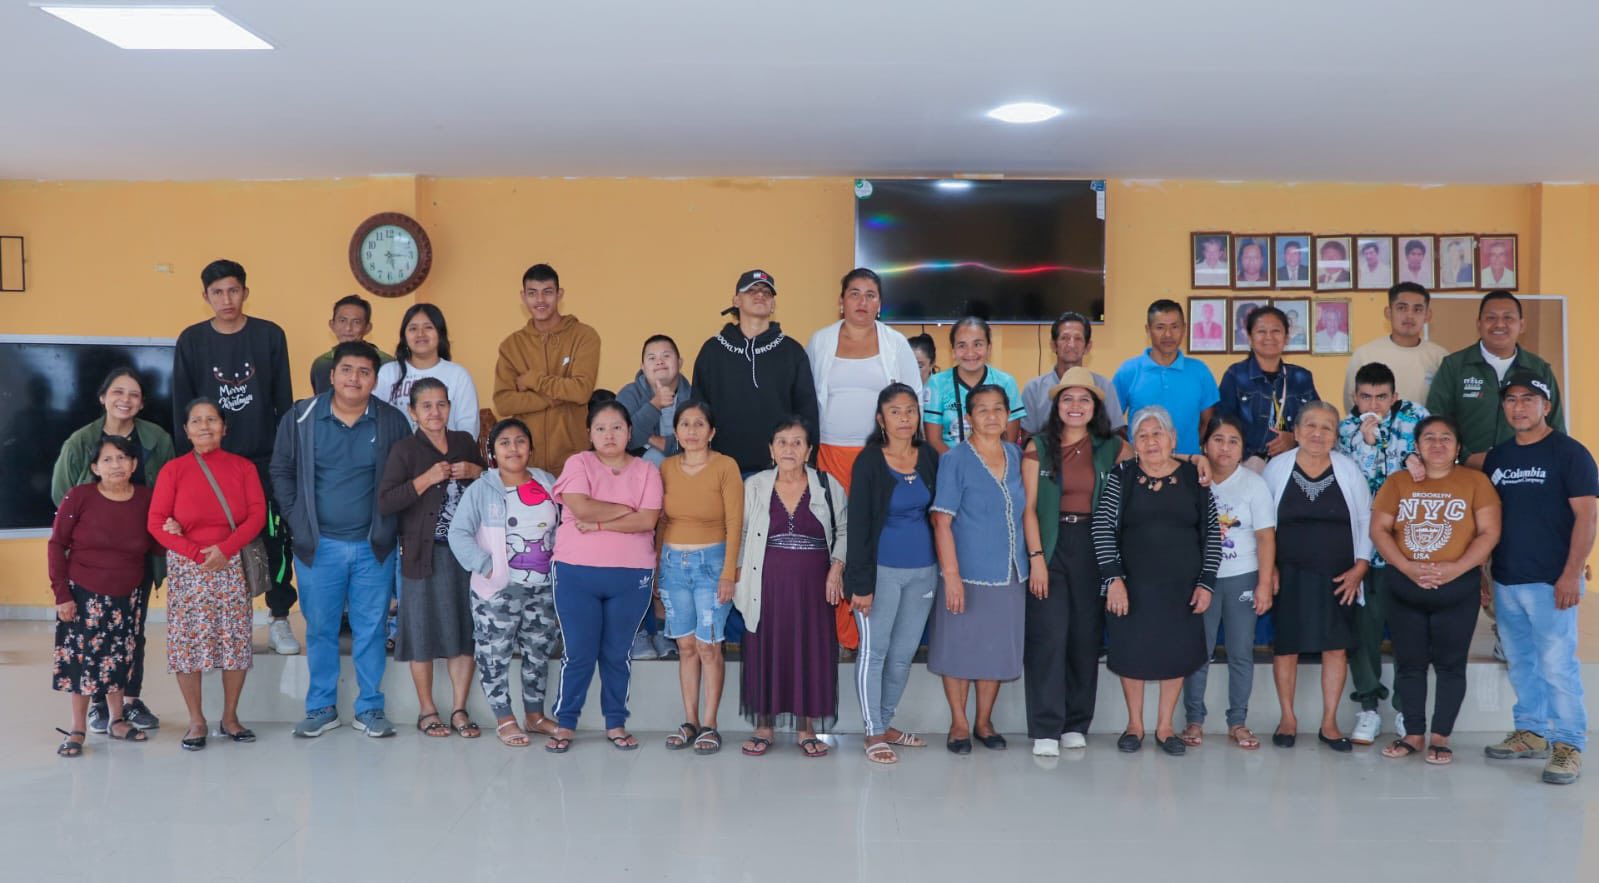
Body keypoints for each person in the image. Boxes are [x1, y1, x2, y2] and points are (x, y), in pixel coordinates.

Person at [271, 341, 411, 739]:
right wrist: (298, 520)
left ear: (375, 380)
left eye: (364, 372)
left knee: (372, 629)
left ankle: (370, 708)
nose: (354, 378)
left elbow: (403, 478)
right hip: (319, 547)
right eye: (347, 370)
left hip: (373, 547)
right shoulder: (302, 417)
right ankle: (321, 707)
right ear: (332, 375)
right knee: (320, 628)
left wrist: (389, 529)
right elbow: (281, 469)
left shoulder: (391, 421)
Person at [172, 259, 298, 655]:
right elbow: (182, 407)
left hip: (264, 461)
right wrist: (187, 468)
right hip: (211, 463)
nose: (226, 299)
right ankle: (219, 624)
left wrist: (286, 460)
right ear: (205, 296)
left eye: (233, 290)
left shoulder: (270, 335)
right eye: (217, 292)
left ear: (245, 292)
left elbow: (283, 402)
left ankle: (279, 618)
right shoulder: (192, 340)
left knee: (275, 540)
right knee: (213, 542)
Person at [1483, 372, 1596, 785]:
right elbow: (1490, 520)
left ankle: (1569, 744)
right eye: (1511, 399)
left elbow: (1587, 517)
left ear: (1546, 406)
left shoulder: (1570, 453)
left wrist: (1571, 574)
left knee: (1557, 665)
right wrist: (1486, 574)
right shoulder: (1498, 458)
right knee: (1521, 662)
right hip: (1507, 580)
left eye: (1528, 399)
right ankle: (1531, 731)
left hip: (1552, 582)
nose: (1519, 407)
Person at [49, 367, 174, 734]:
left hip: (138, 554)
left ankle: (130, 704)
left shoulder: (157, 439)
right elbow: (61, 493)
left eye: (134, 394)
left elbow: (168, 489)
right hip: (91, 561)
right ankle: (98, 706)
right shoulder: (80, 441)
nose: (125, 400)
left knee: (131, 633)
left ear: (142, 403)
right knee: (89, 638)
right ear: (103, 397)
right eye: (118, 392)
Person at [1372, 416, 1501, 765]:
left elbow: (1489, 532)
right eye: (1429, 437)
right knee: (1409, 664)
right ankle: (1413, 734)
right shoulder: (1398, 482)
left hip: (1457, 587)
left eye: (1446, 438)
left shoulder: (1475, 482)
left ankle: (1441, 736)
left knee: (1450, 665)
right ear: (1417, 446)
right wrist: (1408, 567)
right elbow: (1379, 530)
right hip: (1405, 586)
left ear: (1458, 447)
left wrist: (1455, 568)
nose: (1438, 444)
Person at [1092, 406, 1220, 756]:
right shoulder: (1122, 476)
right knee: (1131, 650)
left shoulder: (1195, 477)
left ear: (1173, 439)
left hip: (1182, 587)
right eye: (1143, 435)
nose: (1151, 441)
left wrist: (1206, 582)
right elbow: (1101, 527)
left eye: (1158, 433)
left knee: (1175, 652)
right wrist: (1113, 579)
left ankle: (1165, 728)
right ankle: (1134, 725)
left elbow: (1212, 533)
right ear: (1133, 443)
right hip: (1131, 585)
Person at [1021, 368, 1131, 756]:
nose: (1075, 406)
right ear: (1056, 406)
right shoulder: (1037, 446)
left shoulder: (1112, 447)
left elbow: (1155, 462)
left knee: (1085, 636)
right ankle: (1046, 727)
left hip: (1094, 546)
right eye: (1067, 398)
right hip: (1050, 545)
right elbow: (1029, 509)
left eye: (1084, 399)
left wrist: (1196, 460)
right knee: (1049, 636)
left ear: (1096, 407)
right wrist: (1036, 558)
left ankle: (1075, 722)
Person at [546, 400, 663, 752]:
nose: (609, 435)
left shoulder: (647, 470)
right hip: (575, 572)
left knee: (617, 653)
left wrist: (600, 523)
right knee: (579, 653)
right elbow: (581, 507)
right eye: (600, 428)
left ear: (630, 432)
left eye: (616, 427)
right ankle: (565, 723)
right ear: (589, 433)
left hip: (631, 576)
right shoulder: (578, 463)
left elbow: (647, 520)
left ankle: (616, 723)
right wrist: (626, 508)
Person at [148, 400, 266, 750]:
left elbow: (257, 516)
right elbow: (156, 522)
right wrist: (195, 554)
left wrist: (226, 549)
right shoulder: (173, 470)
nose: (204, 426)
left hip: (231, 564)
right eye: (196, 421)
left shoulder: (243, 467)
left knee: (235, 642)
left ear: (224, 428)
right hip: (189, 568)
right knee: (187, 645)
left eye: (212, 420)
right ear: (186, 430)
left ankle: (230, 718)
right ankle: (196, 720)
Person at [377, 378, 486, 740]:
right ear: (412, 412)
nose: (435, 412)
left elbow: (493, 488)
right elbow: (387, 502)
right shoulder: (405, 450)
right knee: (420, 632)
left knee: (464, 631)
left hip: (466, 554)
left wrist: (477, 473)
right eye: (426, 406)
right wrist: (425, 479)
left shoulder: (464, 442)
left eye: (441, 404)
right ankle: (427, 710)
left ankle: (459, 708)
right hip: (422, 552)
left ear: (450, 408)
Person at [1261, 401, 1371, 752]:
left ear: (1336, 436)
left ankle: (1329, 723)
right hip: (1288, 574)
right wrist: (1268, 569)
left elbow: (1366, 520)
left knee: (1335, 647)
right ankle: (1287, 719)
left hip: (1339, 577)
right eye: (1310, 425)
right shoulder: (1276, 469)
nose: (1317, 433)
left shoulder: (1348, 470)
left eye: (1327, 427)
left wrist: (1360, 568)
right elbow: (1262, 526)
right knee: (1286, 647)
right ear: (1295, 431)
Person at [447, 418, 563, 748]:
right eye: (505, 443)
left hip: (542, 587)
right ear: (493, 452)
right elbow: (458, 533)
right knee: (493, 654)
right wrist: (487, 568)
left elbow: (563, 526)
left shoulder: (548, 483)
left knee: (538, 653)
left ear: (531, 448)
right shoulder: (482, 489)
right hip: (497, 590)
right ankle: (505, 719)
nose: (513, 448)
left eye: (520, 441)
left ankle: (535, 716)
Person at [735, 417, 846, 758]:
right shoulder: (755, 485)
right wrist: (738, 578)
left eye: (797, 442)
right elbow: (741, 534)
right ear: (771, 450)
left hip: (814, 589)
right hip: (766, 585)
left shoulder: (827, 485)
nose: (789, 449)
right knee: (765, 648)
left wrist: (836, 568)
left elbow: (844, 530)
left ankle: (807, 729)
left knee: (810, 650)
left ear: (809, 451)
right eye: (782, 442)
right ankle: (763, 727)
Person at [929, 385, 1027, 755]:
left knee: (995, 649)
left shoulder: (1017, 455)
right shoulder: (955, 459)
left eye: (998, 408)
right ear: (968, 418)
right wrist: (951, 576)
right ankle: (958, 723)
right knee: (959, 648)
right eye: (982, 409)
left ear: (1008, 415)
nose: (991, 416)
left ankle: (984, 722)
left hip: (1010, 571)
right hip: (965, 572)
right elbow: (941, 521)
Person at [846, 383, 940, 763]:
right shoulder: (869, 461)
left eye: (910, 410)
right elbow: (858, 526)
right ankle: (872, 733)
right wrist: (860, 584)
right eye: (896, 411)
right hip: (880, 574)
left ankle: (885, 723)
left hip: (923, 573)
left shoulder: (929, 457)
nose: (905, 418)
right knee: (875, 653)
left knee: (902, 656)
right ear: (880, 419)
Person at [1337, 362, 1428, 745]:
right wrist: (1368, 443)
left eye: (1381, 397)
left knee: (1410, 632)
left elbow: (1438, 460)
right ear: (1354, 397)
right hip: (1364, 549)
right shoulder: (1345, 429)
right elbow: (1353, 479)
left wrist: (1417, 460)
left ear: (1395, 396)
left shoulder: (1417, 419)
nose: (1373, 404)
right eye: (1365, 397)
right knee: (1364, 632)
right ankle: (1368, 707)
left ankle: (1407, 709)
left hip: (1411, 547)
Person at [49, 436, 157, 756]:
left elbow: (157, 542)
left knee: (120, 658)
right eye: (107, 460)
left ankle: (117, 720)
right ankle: (77, 728)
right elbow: (57, 544)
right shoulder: (79, 496)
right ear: (95, 468)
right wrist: (62, 595)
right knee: (83, 663)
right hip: (84, 594)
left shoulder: (145, 498)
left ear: (134, 464)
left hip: (128, 595)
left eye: (122, 458)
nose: (116, 465)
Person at [1179, 415, 1275, 750]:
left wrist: (1264, 583)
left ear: (1243, 448)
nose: (1225, 447)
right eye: (1218, 439)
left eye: (1234, 441)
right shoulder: (1191, 477)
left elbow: (1265, 538)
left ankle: (1238, 721)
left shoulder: (1253, 484)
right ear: (1204, 445)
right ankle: (1194, 720)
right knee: (1197, 653)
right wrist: (1193, 459)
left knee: (1240, 652)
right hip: (1200, 581)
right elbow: (1157, 455)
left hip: (1242, 576)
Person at [656, 401, 743, 755]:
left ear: (712, 431)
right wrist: (658, 569)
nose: (692, 430)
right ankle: (690, 721)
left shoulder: (725, 466)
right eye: (685, 424)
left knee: (709, 646)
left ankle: (710, 724)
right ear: (675, 432)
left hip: (712, 564)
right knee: (686, 646)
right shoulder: (665, 468)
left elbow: (735, 522)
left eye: (699, 424)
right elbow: (661, 521)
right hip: (673, 566)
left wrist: (728, 573)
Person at [805, 268, 923, 493]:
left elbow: (914, 398)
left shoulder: (896, 343)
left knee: (878, 512)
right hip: (831, 452)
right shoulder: (820, 341)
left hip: (884, 451)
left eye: (870, 295)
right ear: (841, 301)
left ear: (879, 304)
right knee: (834, 513)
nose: (863, 302)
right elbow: (806, 396)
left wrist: (912, 448)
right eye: (855, 294)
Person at [692, 269, 819, 475]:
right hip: (722, 469)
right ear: (736, 300)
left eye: (767, 292)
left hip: (780, 471)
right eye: (751, 290)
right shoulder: (712, 351)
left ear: (773, 305)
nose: (760, 294)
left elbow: (807, 413)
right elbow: (698, 410)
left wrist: (808, 464)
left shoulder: (792, 351)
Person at [1427, 291, 1563, 468]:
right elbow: (1435, 419)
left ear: (1521, 325)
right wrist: (1464, 457)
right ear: (1479, 324)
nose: (1499, 324)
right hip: (1466, 472)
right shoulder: (1454, 366)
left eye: (1508, 317)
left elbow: (1555, 425)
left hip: (1526, 471)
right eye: (1491, 317)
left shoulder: (1539, 369)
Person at [492, 264, 602, 474]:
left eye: (547, 292)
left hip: (573, 462)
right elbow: (504, 402)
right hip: (526, 464)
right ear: (523, 297)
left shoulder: (584, 336)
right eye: (532, 293)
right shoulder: (511, 346)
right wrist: (558, 396)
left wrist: (534, 380)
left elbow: (581, 391)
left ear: (559, 294)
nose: (540, 300)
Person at [1218, 305, 1320, 469]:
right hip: (1247, 466)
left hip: (1293, 466)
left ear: (1286, 337)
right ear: (1250, 338)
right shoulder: (1236, 375)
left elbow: (1318, 422)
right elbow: (1222, 424)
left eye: (1276, 331)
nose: (1269, 337)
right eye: (1261, 331)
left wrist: (1294, 438)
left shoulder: (1301, 377)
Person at [1113, 299, 1219, 456]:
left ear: (1184, 328)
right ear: (1148, 330)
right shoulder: (1128, 371)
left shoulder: (1200, 371)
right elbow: (1111, 423)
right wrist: (1131, 448)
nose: (1168, 334)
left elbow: (1208, 423)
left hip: (1189, 464)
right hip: (1141, 465)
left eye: (1175, 327)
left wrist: (1187, 456)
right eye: (1160, 327)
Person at [375, 303, 480, 439]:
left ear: (440, 334)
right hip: (396, 451)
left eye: (428, 327)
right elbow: (375, 419)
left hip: (448, 451)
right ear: (404, 336)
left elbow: (468, 428)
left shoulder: (458, 375)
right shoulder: (387, 373)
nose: (420, 334)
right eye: (413, 329)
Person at [1342, 283, 1449, 412]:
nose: (1409, 316)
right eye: (1402, 308)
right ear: (1388, 313)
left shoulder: (1440, 357)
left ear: (1427, 315)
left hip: (1425, 425)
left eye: (1417, 310)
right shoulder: (1364, 354)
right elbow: (1351, 404)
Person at [924, 316, 1025, 453]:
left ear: (989, 348)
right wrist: (959, 463)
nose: (970, 353)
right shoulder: (937, 383)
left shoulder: (1006, 382)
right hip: (950, 462)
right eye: (962, 345)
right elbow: (934, 441)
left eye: (977, 344)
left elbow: (1009, 441)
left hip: (996, 462)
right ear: (953, 351)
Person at [1022, 313, 1125, 438]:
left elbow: (1116, 436)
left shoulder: (1104, 386)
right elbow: (1027, 439)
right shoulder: (1034, 389)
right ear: (1053, 345)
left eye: (1078, 339)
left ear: (1088, 347)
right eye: (1065, 338)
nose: (1071, 344)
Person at [616, 334, 695, 467]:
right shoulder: (629, 394)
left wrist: (651, 439)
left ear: (680, 362)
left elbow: (700, 442)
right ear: (642, 367)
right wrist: (655, 405)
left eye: (666, 356)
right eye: (652, 358)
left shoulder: (694, 396)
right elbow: (623, 440)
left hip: (688, 469)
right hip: (639, 473)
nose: (659, 362)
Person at [310, 294, 394, 395]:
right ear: (332, 325)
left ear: (368, 328)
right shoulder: (322, 364)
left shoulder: (387, 365)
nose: (348, 328)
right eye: (342, 321)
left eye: (356, 322)